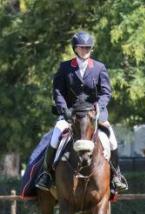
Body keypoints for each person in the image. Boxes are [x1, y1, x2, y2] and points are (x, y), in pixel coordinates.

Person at [35, 31, 127, 193]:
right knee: (56, 135)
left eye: (88, 48)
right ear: (75, 49)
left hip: (94, 114)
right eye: (82, 47)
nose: (85, 50)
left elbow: (106, 92)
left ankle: (116, 176)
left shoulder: (99, 67)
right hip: (71, 114)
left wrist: (99, 107)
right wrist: (65, 111)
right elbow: (58, 92)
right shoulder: (65, 68)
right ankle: (46, 174)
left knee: (111, 138)